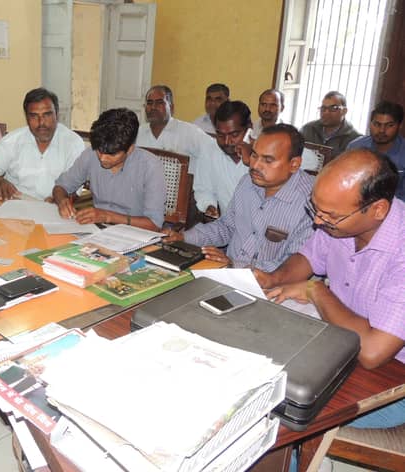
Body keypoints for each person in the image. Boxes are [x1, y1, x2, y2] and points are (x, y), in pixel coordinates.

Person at [255, 149, 405, 428]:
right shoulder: (337, 223)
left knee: (277, 405)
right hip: (339, 339)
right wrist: (273, 279)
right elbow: (309, 257)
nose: (317, 221)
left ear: (378, 210)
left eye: (330, 215)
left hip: (392, 379)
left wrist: (316, 291)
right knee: (256, 364)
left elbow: (372, 352)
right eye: (315, 209)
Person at [164, 124, 314, 271]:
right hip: (228, 270)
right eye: (254, 155)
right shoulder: (248, 182)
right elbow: (226, 227)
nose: (255, 166)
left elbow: (292, 267)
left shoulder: (311, 202)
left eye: (268, 160)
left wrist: (235, 266)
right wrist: (184, 238)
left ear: (294, 164)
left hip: (269, 283)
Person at [53, 108, 165, 231]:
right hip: (97, 229)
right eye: (99, 150)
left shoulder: (151, 167)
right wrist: (62, 201)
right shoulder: (90, 155)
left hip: (134, 233)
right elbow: (60, 186)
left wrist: (108, 216)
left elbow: (154, 224)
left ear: (130, 149)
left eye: (111, 154)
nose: (102, 158)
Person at [0, 87, 84, 201]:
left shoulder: (73, 143)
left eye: (47, 115)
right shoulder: (13, 140)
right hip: (15, 206)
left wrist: (58, 200)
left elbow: (74, 189)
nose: (41, 122)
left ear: (56, 115)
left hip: (55, 207)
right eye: (34, 116)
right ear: (27, 118)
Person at [136, 85, 218, 175]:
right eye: (149, 103)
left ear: (171, 107)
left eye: (159, 102)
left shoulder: (188, 132)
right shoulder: (137, 133)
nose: (153, 107)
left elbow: (215, 151)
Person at [193, 100, 253, 219]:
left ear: (249, 129)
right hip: (227, 225)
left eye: (234, 135)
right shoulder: (209, 152)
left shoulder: (265, 153)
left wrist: (252, 161)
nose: (226, 142)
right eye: (220, 135)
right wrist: (209, 205)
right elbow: (203, 189)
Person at [347, 100, 404, 201]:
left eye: (389, 125)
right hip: (358, 202)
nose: (382, 130)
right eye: (377, 124)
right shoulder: (355, 147)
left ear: (400, 126)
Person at [300, 91, 360, 158]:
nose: (326, 112)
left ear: (344, 111)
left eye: (333, 108)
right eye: (323, 108)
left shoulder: (355, 139)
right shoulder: (307, 129)